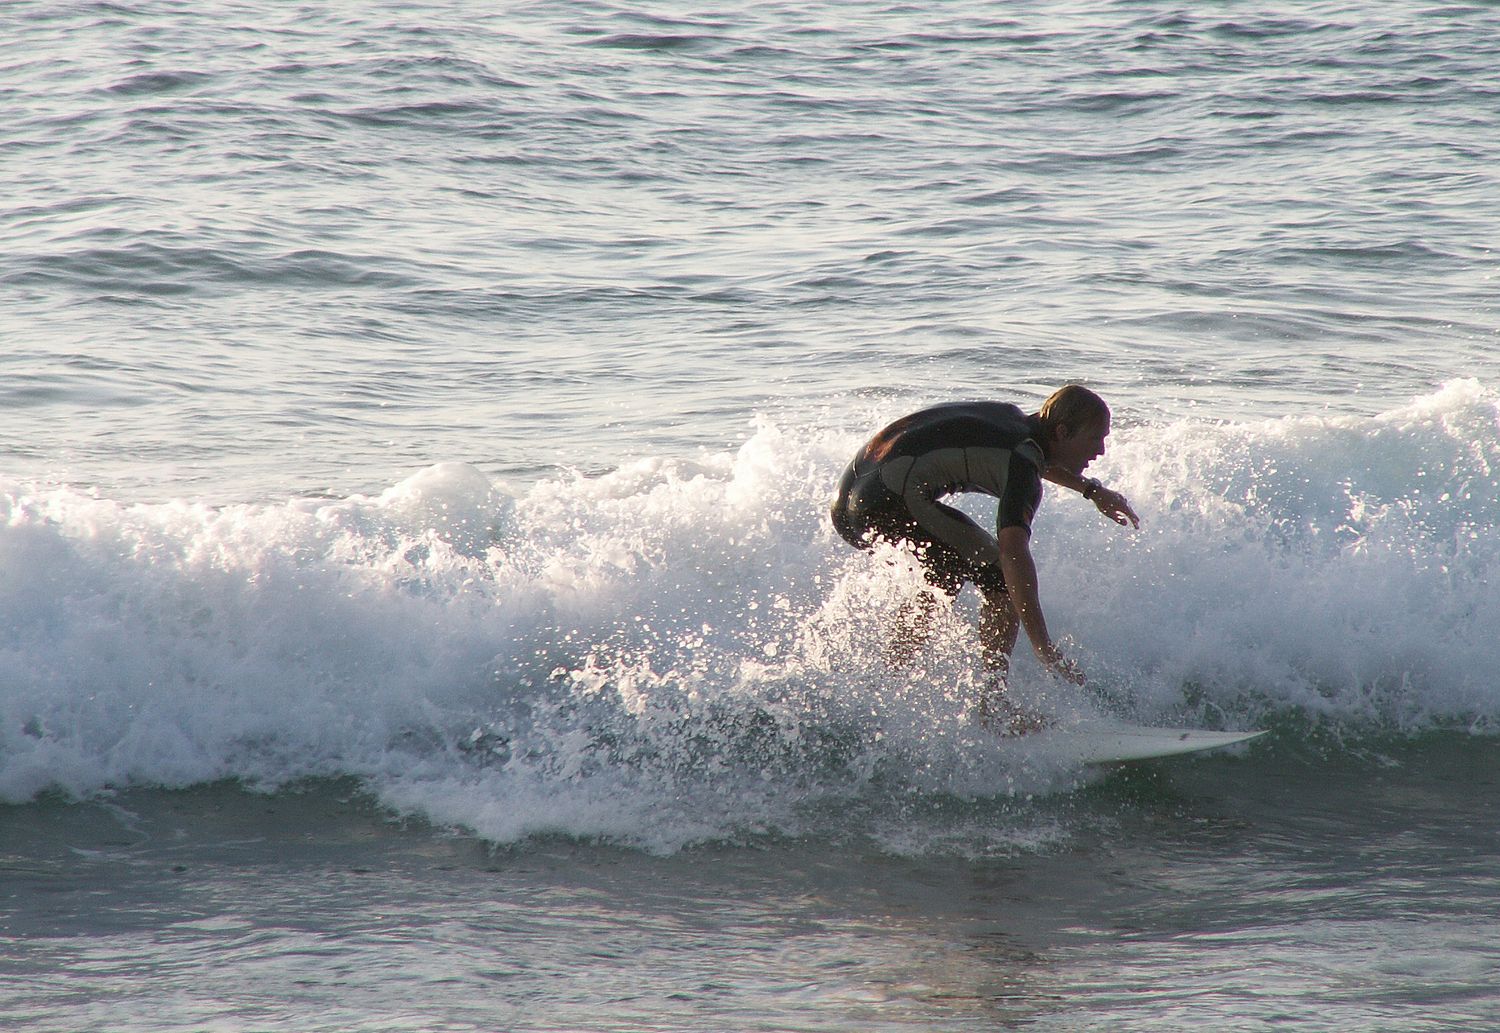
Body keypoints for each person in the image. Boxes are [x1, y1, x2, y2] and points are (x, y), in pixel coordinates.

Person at [830, 385, 1138, 726]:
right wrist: (1043, 646)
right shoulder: (1022, 463)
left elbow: (1035, 459)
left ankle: (885, 682)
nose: (1101, 450)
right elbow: (1013, 552)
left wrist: (1092, 490)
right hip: (884, 503)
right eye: (1095, 439)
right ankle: (993, 707)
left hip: (854, 499)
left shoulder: (1016, 423)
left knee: (944, 573)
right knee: (999, 577)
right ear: (1063, 432)